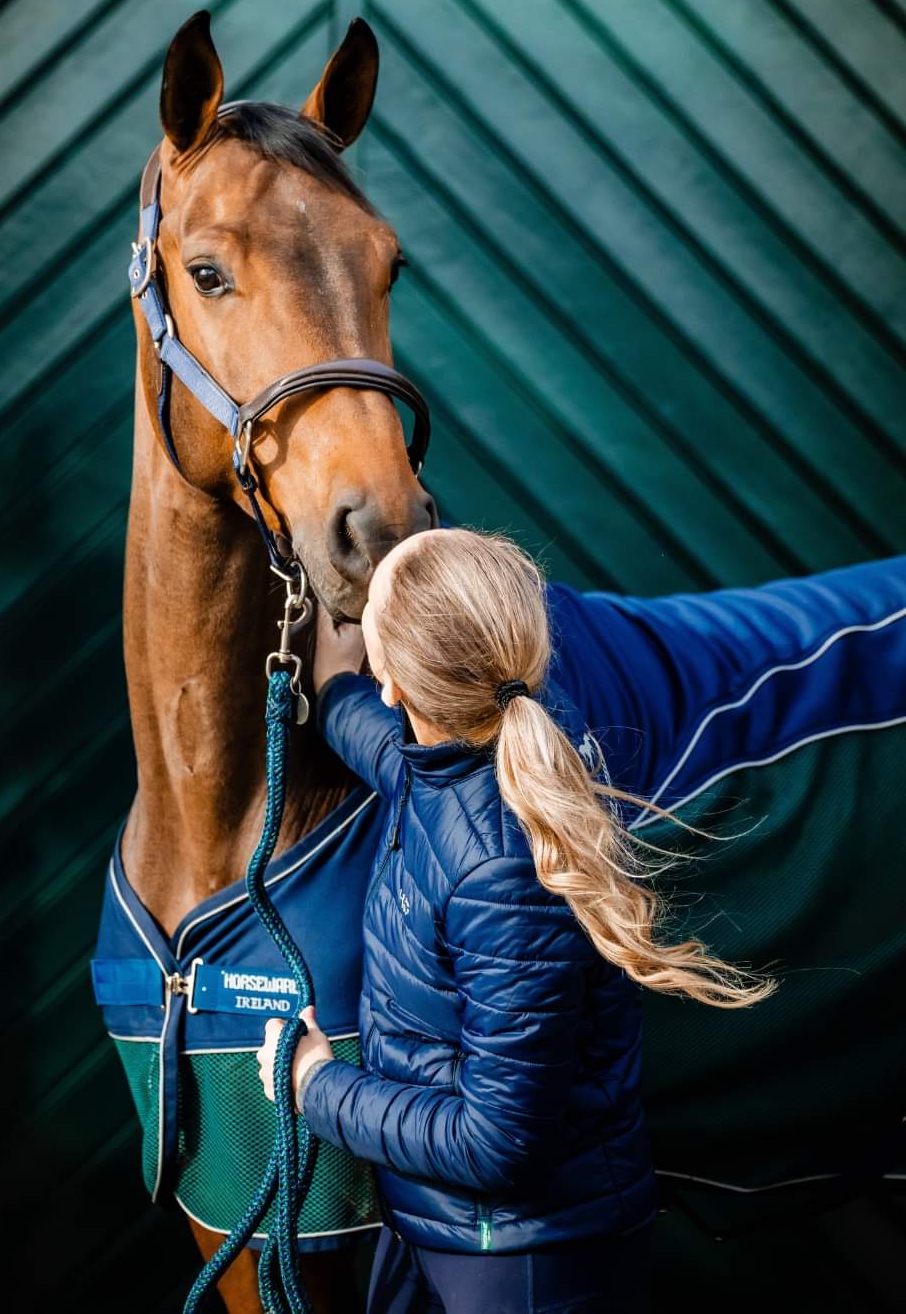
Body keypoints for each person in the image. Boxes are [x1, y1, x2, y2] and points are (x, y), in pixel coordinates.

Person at [257, 526, 779, 1313]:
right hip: (453, 1233)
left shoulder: (505, 874)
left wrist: (314, 1086)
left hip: (526, 1263)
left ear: (396, 682)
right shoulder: (467, 754)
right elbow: (394, 758)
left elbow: (497, 1142)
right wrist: (330, 690)